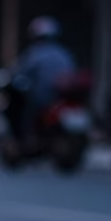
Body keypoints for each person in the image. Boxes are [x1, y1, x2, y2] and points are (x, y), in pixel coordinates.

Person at [13, 16, 75, 145]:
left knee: (25, 113)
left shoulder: (35, 53)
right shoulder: (64, 53)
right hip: (61, 97)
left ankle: (28, 141)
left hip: (43, 98)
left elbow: (20, 70)